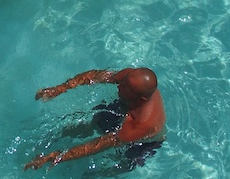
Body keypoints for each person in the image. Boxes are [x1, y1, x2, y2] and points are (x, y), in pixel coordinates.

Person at [25, 67, 166, 170]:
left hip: (144, 141)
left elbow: (99, 145)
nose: (118, 87)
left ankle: (101, 177)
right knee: (97, 120)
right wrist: (60, 89)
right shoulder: (130, 78)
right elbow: (95, 76)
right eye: (122, 83)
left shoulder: (141, 124)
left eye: (124, 88)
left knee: (123, 163)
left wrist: (56, 157)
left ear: (140, 100)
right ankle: (65, 134)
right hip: (127, 106)